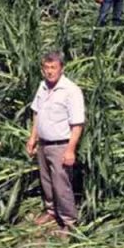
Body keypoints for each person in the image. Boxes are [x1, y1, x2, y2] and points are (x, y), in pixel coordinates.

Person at [25, 50, 85, 230]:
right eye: (46, 68)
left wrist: (70, 149)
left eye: (53, 67)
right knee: (46, 182)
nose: (50, 71)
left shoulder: (71, 91)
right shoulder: (42, 86)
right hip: (43, 144)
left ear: (62, 69)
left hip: (61, 145)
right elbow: (37, 113)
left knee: (61, 185)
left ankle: (69, 222)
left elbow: (77, 123)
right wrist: (33, 138)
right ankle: (51, 212)